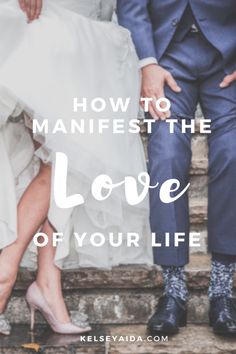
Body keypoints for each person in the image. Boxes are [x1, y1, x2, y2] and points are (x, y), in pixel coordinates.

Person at [0, 0, 152, 335]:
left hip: (94, 31)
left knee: (66, 162)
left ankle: (45, 282)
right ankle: (9, 273)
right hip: (46, 24)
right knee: (60, 161)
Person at [117, 0, 236, 336]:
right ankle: (174, 289)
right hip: (166, 57)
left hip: (226, 57)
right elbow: (132, 6)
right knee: (166, 154)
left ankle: (222, 289)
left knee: (233, 152)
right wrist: (147, 63)